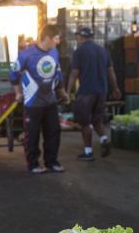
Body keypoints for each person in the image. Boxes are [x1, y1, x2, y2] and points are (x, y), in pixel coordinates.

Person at [12, 24, 70, 174]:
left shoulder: (54, 52)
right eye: (56, 38)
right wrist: (18, 93)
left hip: (50, 100)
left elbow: (58, 74)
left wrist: (63, 93)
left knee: (53, 131)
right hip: (32, 102)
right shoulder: (26, 54)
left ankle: (52, 162)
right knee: (32, 134)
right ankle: (33, 164)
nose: (58, 42)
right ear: (47, 38)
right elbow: (14, 73)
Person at [66, 27, 121, 161]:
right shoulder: (103, 51)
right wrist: (115, 88)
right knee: (97, 118)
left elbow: (74, 74)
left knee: (85, 123)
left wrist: (67, 92)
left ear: (81, 37)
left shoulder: (79, 52)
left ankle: (88, 152)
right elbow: (110, 72)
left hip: (86, 92)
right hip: (102, 91)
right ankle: (103, 139)